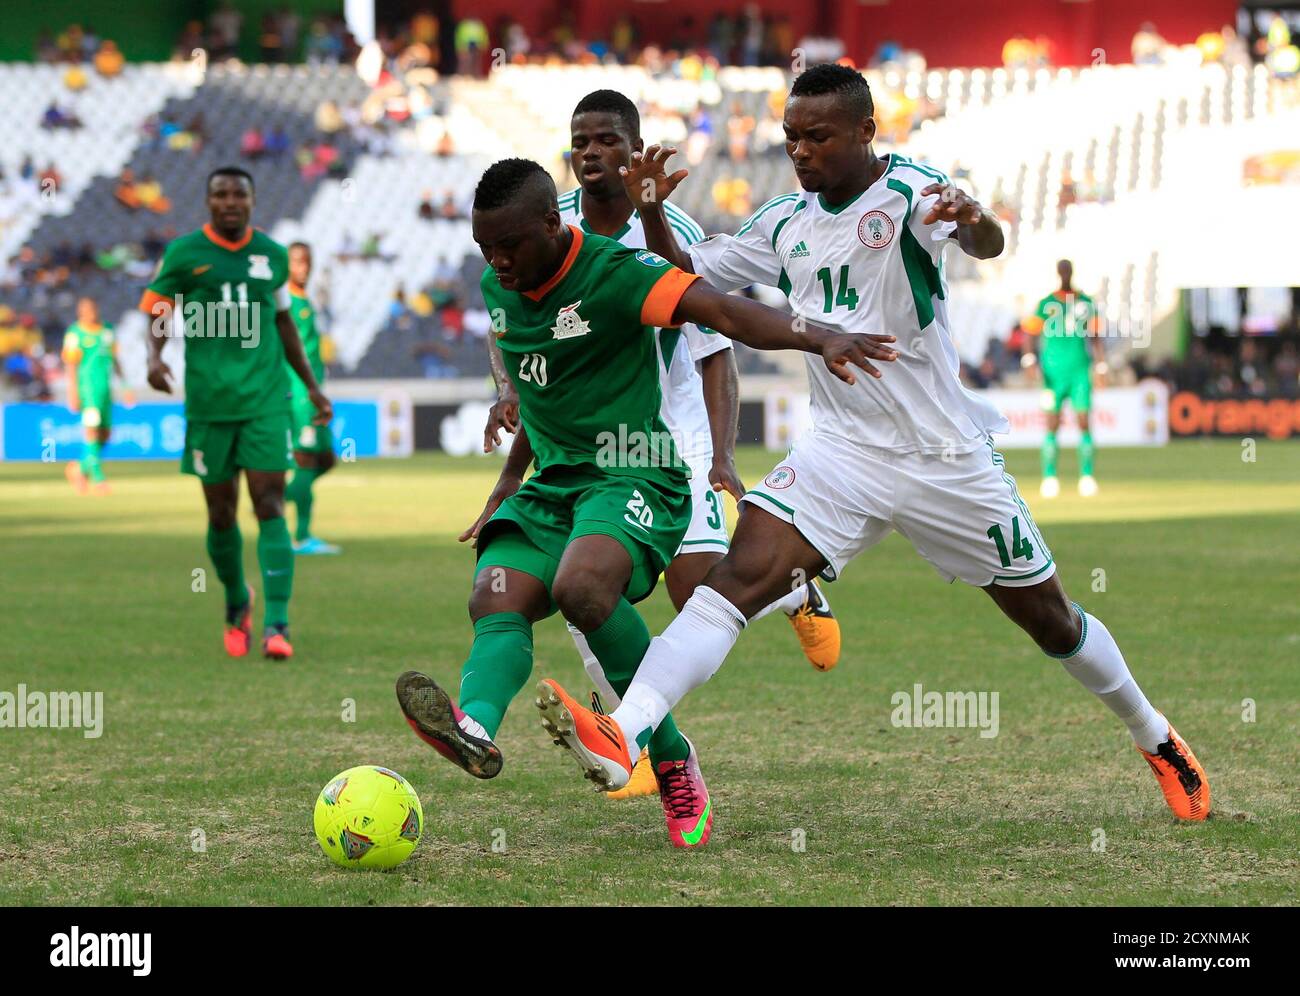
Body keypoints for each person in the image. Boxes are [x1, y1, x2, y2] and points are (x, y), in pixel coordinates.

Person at [534, 64, 1211, 827]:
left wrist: (978, 216)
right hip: (841, 453)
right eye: (791, 137)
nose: (800, 150)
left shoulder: (914, 193)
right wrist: (654, 208)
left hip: (942, 458)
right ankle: (624, 736)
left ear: (865, 131)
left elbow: (984, 243)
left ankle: (1154, 735)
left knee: (1050, 618)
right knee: (734, 581)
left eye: (817, 136)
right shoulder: (785, 219)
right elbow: (684, 275)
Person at [394, 156, 895, 848]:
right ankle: (473, 726)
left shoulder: (615, 273)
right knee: (494, 594)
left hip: (637, 471)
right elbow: (537, 390)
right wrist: (508, 480)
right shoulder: (498, 286)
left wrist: (817, 335)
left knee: (586, 588)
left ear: (551, 223)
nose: (497, 263)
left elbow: (720, 312)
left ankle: (671, 757)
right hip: (556, 483)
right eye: (486, 249)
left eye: (508, 247)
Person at [476, 90, 843, 806]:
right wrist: (511, 392)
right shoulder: (545, 228)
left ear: (634, 147)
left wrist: (722, 457)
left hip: (667, 436)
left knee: (698, 592)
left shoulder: (668, 229)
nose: (591, 153)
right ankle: (636, 739)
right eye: (580, 140)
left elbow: (714, 347)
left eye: (608, 140)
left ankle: (792, 589)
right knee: (588, 594)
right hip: (581, 447)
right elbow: (509, 325)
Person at [140, 167, 332, 661]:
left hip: (266, 403)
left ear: (252, 200)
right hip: (208, 407)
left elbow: (285, 322)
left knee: (269, 503)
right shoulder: (184, 254)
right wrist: (154, 358)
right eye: (220, 194)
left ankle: (277, 623)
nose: (230, 202)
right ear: (208, 202)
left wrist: (311, 387)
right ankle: (235, 600)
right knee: (220, 513)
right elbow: (158, 309)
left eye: (238, 194)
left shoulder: (270, 256)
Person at [1022, 259, 1107, 497]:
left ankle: (1087, 476)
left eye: (1068, 270)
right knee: (1052, 423)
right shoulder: (1046, 304)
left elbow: (1096, 336)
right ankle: (1050, 477)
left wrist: (1101, 366)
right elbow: (1029, 333)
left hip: (1080, 370)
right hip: (1052, 373)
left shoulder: (1086, 302)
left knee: (1083, 420)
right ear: (1058, 273)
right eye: (1062, 270)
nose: (1065, 274)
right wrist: (1029, 359)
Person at [283, 242, 340, 555]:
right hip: (299, 393)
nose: (302, 268)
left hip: (313, 391)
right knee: (305, 457)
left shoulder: (303, 300)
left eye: (306, 262)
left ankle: (277, 497)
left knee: (326, 459)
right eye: (295, 262)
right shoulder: (286, 302)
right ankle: (301, 536)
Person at [63, 297, 130, 495]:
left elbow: (115, 360)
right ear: (80, 312)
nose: (90, 313)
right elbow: (71, 365)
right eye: (85, 310)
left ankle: (80, 468)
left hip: (105, 391)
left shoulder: (107, 330)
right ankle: (99, 479)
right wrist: (73, 392)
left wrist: (126, 385)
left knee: (105, 434)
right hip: (88, 390)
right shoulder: (75, 333)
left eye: (92, 309)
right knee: (91, 431)